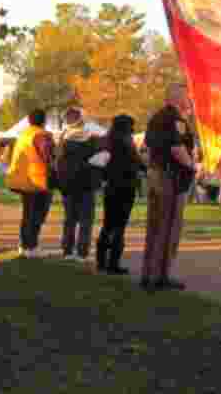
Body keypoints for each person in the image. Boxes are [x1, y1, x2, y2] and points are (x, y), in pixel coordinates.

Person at [140, 84, 195, 291]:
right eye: (187, 97)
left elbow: (147, 148)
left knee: (154, 226)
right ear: (178, 98)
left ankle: (149, 273)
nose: (190, 100)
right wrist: (192, 166)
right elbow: (177, 147)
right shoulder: (175, 120)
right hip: (170, 177)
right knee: (168, 226)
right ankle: (160, 276)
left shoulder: (156, 118)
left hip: (156, 173)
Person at [94, 114, 144, 274]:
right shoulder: (126, 143)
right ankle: (113, 263)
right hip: (125, 187)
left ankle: (101, 260)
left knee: (108, 224)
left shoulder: (106, 141)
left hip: (110, 186)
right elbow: (137, 164)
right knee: (119, 226)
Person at [5, 108, 55, 257]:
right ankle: (31, 246)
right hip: (37, 180)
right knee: (37, 215)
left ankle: (24, 244)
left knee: (28, 214)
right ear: (44, 121)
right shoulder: (41, 135)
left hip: (22, 179)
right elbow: (48, 158)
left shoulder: (23, 135)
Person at [56, 107, 102, 262]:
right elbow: (100, 159)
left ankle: (67, 250)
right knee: (85, 219)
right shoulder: (91, 139)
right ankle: (82, 252)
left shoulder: (62, 140)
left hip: (68, 185)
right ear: (81, 121)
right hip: (86, 183)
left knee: (69, 219)